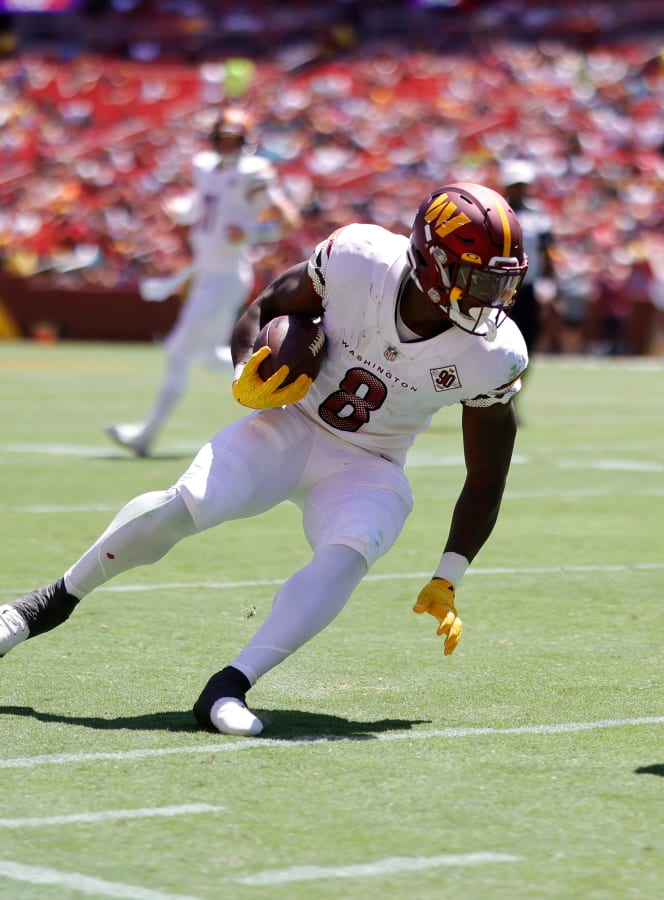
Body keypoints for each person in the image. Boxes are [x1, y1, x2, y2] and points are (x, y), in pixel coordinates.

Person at [2, 182, 529, 737]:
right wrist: (244, 375)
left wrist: (449, 575)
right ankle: (39, 608)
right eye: (478, 279)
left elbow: (489, 470)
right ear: (431, 262)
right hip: (288, 423)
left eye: (501, 282)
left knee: (350, 552)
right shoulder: (359, 259)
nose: (490, 298)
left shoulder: (493, 353)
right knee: (184, 505)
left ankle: (228, 686)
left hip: (370, 462)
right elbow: (268, 306)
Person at [105, 107, 300, 457]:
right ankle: (287, 379)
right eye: (222, 138)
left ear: (245, 142)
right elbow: (198, 208)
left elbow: (289, 221)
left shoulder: (252, 172)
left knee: (179, 351)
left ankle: (147, 434)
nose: (226, 145)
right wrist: (181, 211)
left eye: (233, 139)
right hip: (207, 272)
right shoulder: (205, 168)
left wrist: (255, 232)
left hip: (223, 278)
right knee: (211, 358)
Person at [500, 160, 555, 418]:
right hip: (499, 289)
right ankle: (492, 398)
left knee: (526, 346)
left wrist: (550, 285)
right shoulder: (496, 210)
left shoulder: (538, 215)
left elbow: (547, 254)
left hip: (528, 289)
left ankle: (513, 399)